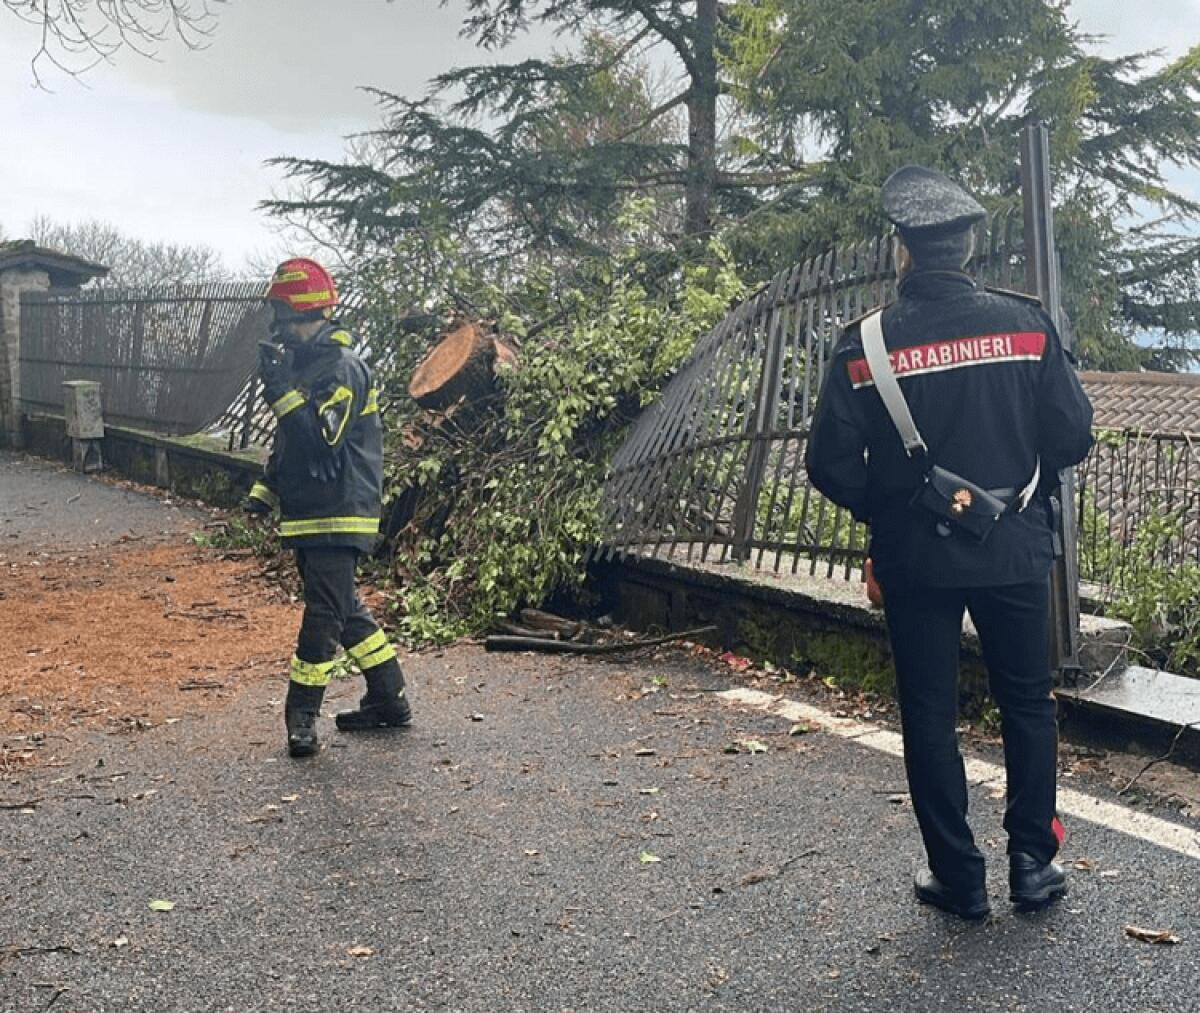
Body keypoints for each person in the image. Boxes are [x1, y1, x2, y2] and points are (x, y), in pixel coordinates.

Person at [804, 166, 1094, 919]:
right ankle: (1032, 862)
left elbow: (827, 465)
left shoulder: (863, 345)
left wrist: (895, 510)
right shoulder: (1027, 326)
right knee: (1027, 702)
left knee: (929, 712)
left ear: (903, 250)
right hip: (1015, 547)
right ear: (968, 246)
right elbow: (1073, 434)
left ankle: (958, 877)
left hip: (916, 559)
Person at [244, 257, 412, 758]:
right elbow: (289, 445)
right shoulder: (303, 368)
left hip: (340, 513)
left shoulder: (343, 369)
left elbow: (322, 441)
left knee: (323, 615)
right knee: (345, 610)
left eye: (284, 318)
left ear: (308, 314)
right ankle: (389, 699)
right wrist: (265, 493)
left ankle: (301, 717)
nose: (280, 330)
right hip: (308, 512)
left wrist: (279, 392)